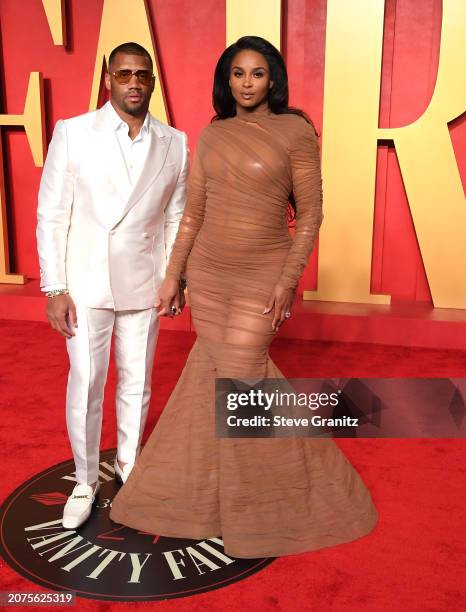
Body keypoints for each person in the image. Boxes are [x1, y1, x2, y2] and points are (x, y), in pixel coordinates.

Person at [109, 36, 378, 558]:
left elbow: (311, 215)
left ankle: (278, 504)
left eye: (257, 73)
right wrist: (174, 276)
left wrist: (287, 281)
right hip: (209, 274)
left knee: (239, 374)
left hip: (263, 272)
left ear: (272, 80)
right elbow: (193, 215)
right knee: (223, 379)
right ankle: (211, 500)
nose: (247, 83)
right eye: (238, 73)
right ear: (226, 80)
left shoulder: (295, 132)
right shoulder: (212, 135)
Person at [36, 42, 188, 529]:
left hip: (144, 283)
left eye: (142, 75)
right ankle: (84, 480)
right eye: (124, 74)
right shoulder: (74, 133)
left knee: (137, 382)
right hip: (84, 283)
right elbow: (52, 213)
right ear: (108, 79)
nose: (134, 82)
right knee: (86, 384)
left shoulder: (176, 142)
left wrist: (174, 277)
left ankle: (129, 463)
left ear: (152, 82)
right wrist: (54, 286)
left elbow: (175, 218)